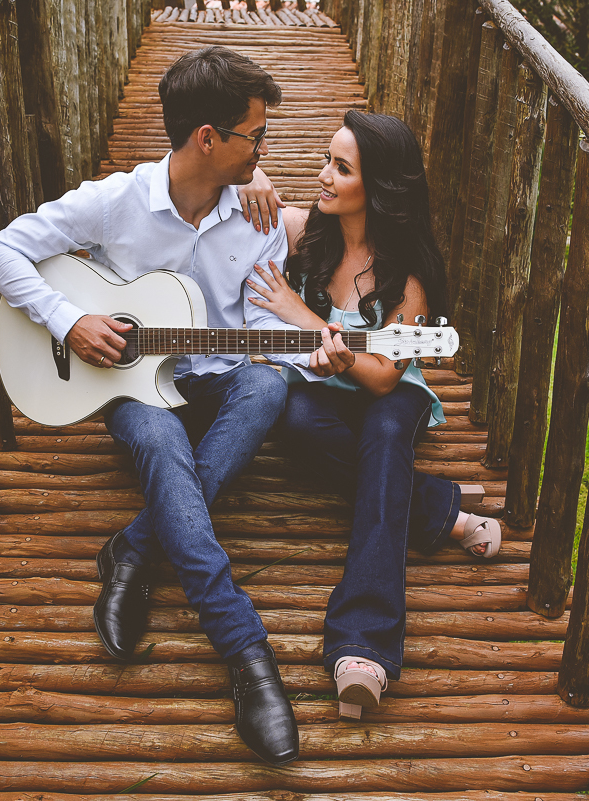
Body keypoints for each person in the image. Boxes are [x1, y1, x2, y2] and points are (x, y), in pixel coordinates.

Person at [0, 46, 350, 766]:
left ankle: (136, 548)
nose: (265, 152)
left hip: (217, 378)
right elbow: (0, 251)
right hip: (129, 386)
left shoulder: (257, 215)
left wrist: (318, 350)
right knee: (156, 438)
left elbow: (259, 323)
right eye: (256, 137)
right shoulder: (117, 201)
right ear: (207, 137)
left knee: (268, 385)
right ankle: (246, 651)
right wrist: (68, 320)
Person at [237, 110, 502, 721]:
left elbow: (384, 375)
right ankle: (440, 509)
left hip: (389, 394)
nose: (323, 176)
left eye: (341, 167)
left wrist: (303, 317)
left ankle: (363, 642)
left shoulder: (406, 277)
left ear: (377, 186)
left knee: (384, 434)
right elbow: (214, 187)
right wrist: (252, 176)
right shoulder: (304, 232)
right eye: (326, 161)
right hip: (322, 390)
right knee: (294, 420)